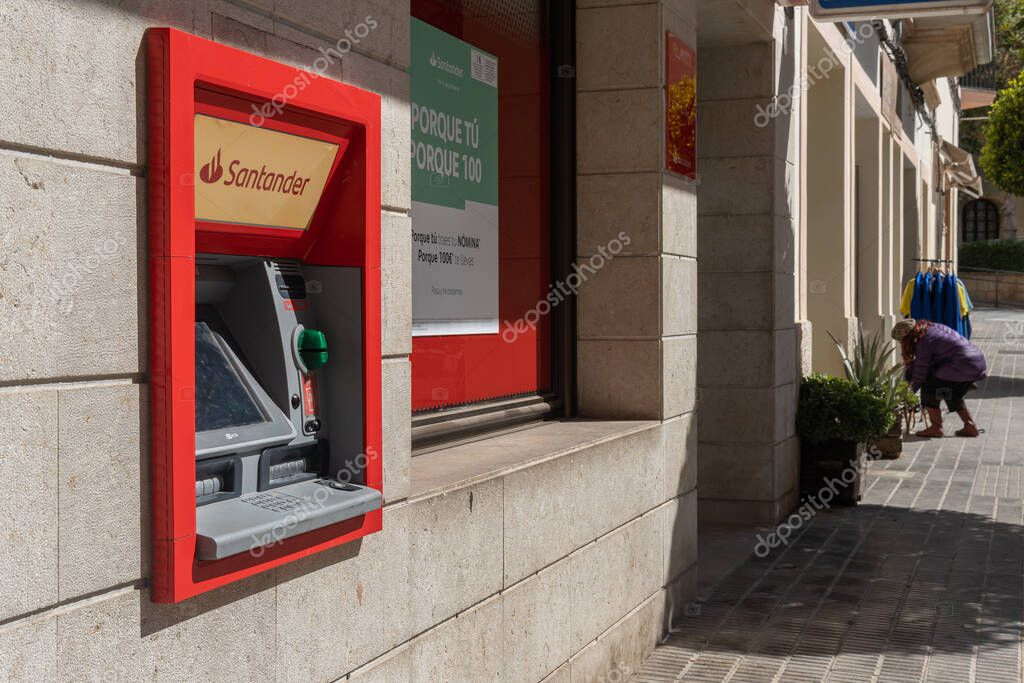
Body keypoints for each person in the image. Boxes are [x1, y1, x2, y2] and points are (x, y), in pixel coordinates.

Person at [891, 319, 987, 438]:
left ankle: (936, 427)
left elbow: (920, 374)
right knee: (950, 392)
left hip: (961, 365)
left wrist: (908, 394)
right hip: (975, 362)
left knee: (929, 388)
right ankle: (970, 426)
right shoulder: (931, 328)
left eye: (901, 341)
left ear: (907, 338)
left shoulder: (923, 342)